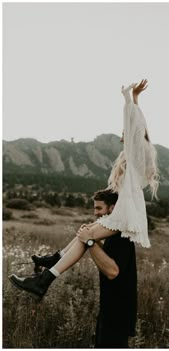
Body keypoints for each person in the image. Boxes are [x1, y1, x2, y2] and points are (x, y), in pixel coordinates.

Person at [8, 79, 160, 303]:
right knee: (86, 231)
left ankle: (45, 279)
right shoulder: (135, 157)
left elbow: (136, 125)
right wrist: (135, 99)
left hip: (126, 215)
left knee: (85, 237)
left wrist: (128, 98)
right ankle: (53, 261)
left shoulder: (139, 152)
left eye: (124, 131)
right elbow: (138, 125)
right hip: (124, 213)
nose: (122, 134)